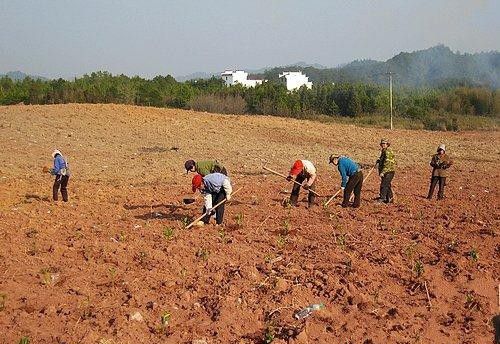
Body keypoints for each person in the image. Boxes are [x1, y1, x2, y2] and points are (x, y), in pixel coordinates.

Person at [376, 138, 396, 203]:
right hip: (386, 171)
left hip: (389, 171)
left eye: (384, 143)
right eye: (382, 143)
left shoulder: (388, 151)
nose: (383, 145)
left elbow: (388, 163)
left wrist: (383, 172)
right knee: (387, 185)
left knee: (384, 185)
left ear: (387, 144)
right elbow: (384, 160)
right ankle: (390, 198)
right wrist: (379, 160)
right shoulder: (383, 151)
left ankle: (382, 198)